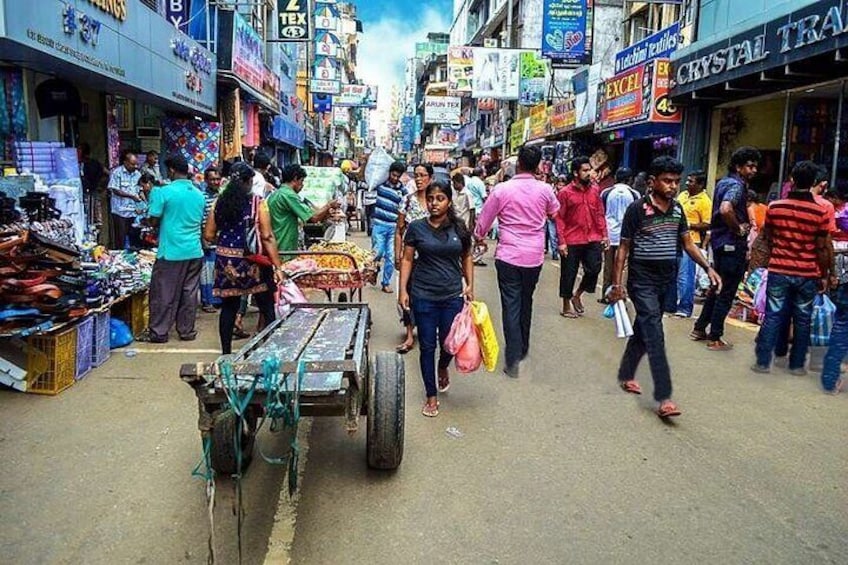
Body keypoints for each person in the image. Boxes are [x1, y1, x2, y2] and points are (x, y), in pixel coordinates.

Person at [608, 157, 721, 419]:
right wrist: (616, 284)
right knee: (655, 333)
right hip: (642, 280)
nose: (672, 186)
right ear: (652, 182)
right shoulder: (637, 210)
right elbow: (623, 249)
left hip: (665, 280)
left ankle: (626, 373)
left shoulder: (678, 210)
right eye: (667, 181)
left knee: (645, 328)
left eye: (675, 182)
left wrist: (708, 267)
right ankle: (664, 396)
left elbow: (688, 244)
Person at [474, 146, 560, 377]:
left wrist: (478, 236)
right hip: (533, 257)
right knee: (526, 302)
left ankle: (512, 360)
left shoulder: (503, 189)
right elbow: (554, 212)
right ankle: (522, 351)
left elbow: (484, 219)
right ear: (538, 165)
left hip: (509, 255)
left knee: (511, 306)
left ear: (519, 164)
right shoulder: (545, 190)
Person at [398, 180, 474, 418]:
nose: (434, 203)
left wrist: (470, 285)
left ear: (448, 201)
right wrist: (403, 291)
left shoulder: (459, 228)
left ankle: (443, 366)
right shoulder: (417, 228)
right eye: (430, 199)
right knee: (427, 347)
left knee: (449, 344)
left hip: (452, 295)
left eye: (439, 198)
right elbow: (408, 259)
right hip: (423, 296)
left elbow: (467, 256)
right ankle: (431, 395)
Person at [751, 160, 832, 374]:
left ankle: (762, 362)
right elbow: (822, 247)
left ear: (792, 180)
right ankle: (796, 365)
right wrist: (824, 275)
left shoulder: (775, 207)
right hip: (807, 272)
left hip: (779, 269)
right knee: (803, 318)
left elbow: (768, 237)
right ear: (814, 182)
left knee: (773, 315)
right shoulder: (820, 212)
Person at [204, 162, 284, 354]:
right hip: (253, 260)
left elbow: (208, 235)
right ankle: (270, 351)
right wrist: (277, 266)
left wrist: (227, 240)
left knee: (229, 307)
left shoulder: (219, 202)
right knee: (266, 305)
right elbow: (267, 236)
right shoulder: (258, 203)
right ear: (249, 182)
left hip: (226, 261)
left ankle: (226, 354)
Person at [691, 146, 761, 350]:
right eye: (750, 166)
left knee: (716, 287)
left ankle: (700, 327)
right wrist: (738, 228)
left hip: (720, 244)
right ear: (739, 167)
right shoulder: (737, 186)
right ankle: (715, 337)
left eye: (755, 166)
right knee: (727, 291)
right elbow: (725, 208)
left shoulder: (723, 182)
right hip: (731, 245)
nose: (754, 170)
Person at [137, 155, 207, 343]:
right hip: (194, 250)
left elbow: (153, 220)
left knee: (163, 293)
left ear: (172, 171)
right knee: (189, 293)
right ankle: (186, 330)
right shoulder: (199, 195)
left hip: (171, 252)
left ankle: (159, 332)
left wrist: (149, 205)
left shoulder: (162, 192)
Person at [555, 156, 608, 318]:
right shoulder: (565, 193)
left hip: (592, 238)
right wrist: (562, 242)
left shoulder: (594, 191)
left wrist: (604, 235)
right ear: (575, 173)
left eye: (589, 170)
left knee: (594, 269)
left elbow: (599, 213)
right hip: (571, 239)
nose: (589, 173)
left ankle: (577, 294)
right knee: (568, 273)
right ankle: (566, 306)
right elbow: (559, 218)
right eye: (585, 170)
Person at [394, 163, 433, 354]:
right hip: (410, 258)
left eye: (423, 175)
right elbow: (399, 231)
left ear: (430, 178)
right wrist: (397, 254)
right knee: (407, 293)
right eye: (416, 175)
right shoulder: (407, 201)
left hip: (431, 260)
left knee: (427, 294)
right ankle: (409, 335)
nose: (419, 179)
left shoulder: (436, 202)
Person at [266, 164, 341, 254]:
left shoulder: (276, 194)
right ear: (295, 179)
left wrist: (326, 212)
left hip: (277, 243)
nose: (302, 185)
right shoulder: (289, 195)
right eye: (301, 181)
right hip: (284, 246)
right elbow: (314, 217)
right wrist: (329, 205)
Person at [666, 170, 712, 318]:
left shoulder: (705, 201)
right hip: (674, 239)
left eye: (691, 181)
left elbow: (707, 224)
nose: (687, 183)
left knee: (686, 276)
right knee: (671, 273)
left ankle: (685, 308)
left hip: (691, 241)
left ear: (700, 184)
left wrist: (687, 225)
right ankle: (670, 305)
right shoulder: (682, 195)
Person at [600, 167, 640, 300]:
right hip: (626, 236)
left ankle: (606, 294)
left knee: (608, 265)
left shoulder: (606, 193)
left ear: (616, 178)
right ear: (630, 180)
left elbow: (601, 213)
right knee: (623, 266)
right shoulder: (635, 194)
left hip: (610, 233)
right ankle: (621, 294)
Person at [370, 161, 407, 293]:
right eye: (393, 175)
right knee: (377, 252)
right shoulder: (380, 185)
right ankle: (373, 270)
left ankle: (385, 283)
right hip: (379, 224)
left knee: (391, 257)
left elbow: (405, 208)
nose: (395, 178)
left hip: (393, 228)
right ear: (389, 172)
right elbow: (366, 180)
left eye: (398, 176)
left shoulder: (403, 191)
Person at [200, 167, 223, 313]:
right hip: (207, 240)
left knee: (218, 271)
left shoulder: (222, 196)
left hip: (220, 240)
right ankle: (207, 301)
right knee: (206, 273)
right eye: (212, 179)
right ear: (206, 180)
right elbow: (199, 219)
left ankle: (217, 299)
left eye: (217, 179)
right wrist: (203, 238)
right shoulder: (201, 197)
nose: (215, 182)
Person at [107, 150, 142, 249]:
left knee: (133, 238)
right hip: (120, 211)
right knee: (120, 239)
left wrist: (141, 199)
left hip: (133, 211)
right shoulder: (117, 173)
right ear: (125, 163)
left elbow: (139, 189)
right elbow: (115, 190)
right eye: (132, 164)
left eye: (136, 164)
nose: (135, 166)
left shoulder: (137, 174)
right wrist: (131, 196)